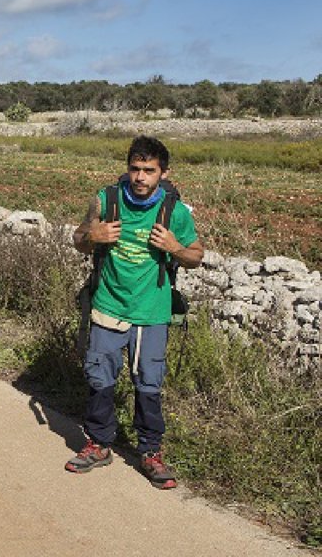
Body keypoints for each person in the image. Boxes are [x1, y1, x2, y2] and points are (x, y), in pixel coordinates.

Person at [65, 135, 203, 489]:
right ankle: (98, 444)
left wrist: (175, 248)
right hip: (108, 306)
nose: (140, 178)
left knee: (149, 385)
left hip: (152, 313)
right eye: (135, 169)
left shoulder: (176, 212)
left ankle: (151, 451)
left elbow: (196, 255)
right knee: (100, 379)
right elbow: (79, 240)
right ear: (127, 169)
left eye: (149, 171)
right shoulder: (105, 200)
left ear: (163, 173)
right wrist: (93, 236)